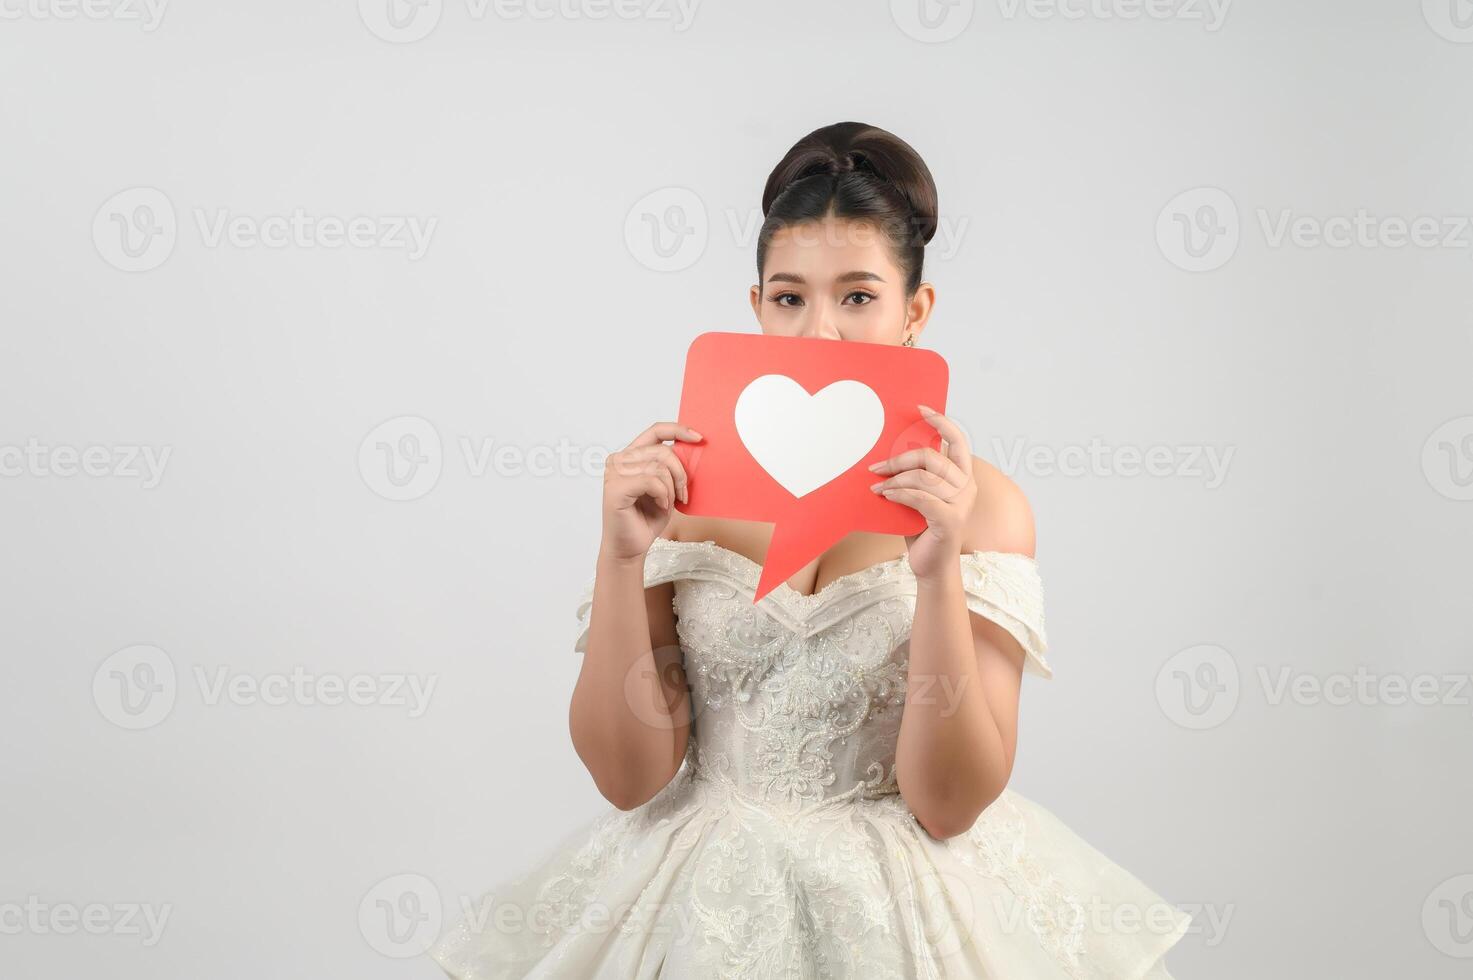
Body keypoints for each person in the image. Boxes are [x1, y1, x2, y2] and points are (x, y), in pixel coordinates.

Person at [431, 121, 1191, 979]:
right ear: (754, 307)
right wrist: (618, 561)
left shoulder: (983, 509)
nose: (819, 333)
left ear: (915, 312)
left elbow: (947, 806)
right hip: (701, 898)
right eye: (789, 297)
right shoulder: (680, 493)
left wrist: (937, 576)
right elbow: (626, 777)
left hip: (903, 911)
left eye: (857, 297)